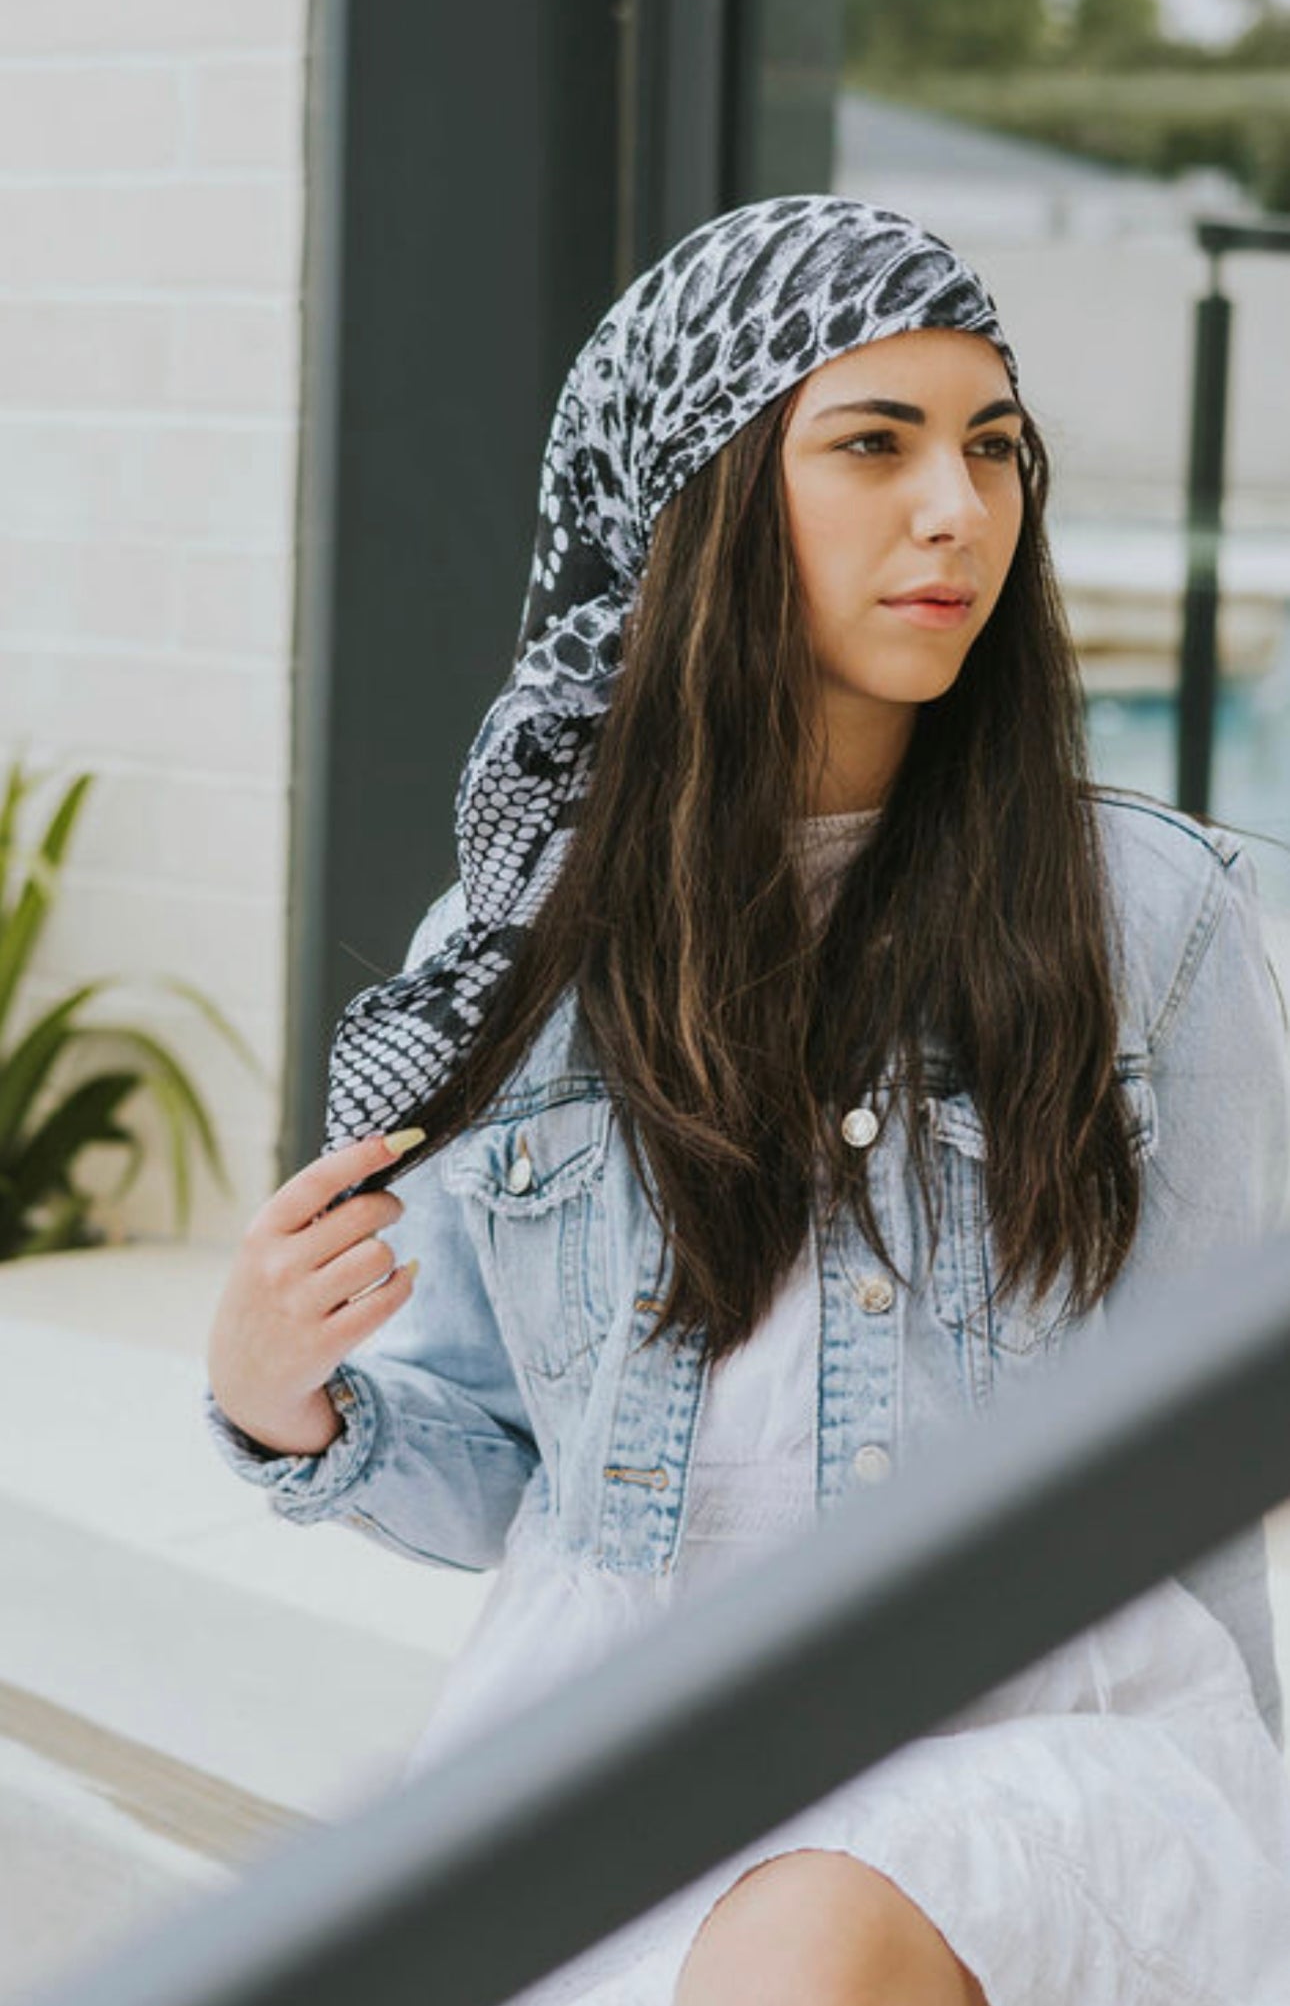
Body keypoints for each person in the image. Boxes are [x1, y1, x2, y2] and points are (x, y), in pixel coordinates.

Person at [207, 196, 1290, 2004]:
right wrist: (285, 1406)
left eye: (992, 447)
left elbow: (1194, 1455)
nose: (959, 508)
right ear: (697, 499)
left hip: (1031, 1729)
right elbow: (505, 1468)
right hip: (626, 1754)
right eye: (872, 444)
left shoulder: (1156, 924)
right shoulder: (517, 948)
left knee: (810, 1943)